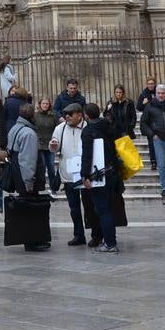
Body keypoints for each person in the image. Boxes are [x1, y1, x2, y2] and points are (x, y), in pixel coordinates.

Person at [80, 103, 124, 254]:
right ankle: (109, 239)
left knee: (103, 209)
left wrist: (84, 175)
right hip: (113, 171)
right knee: (108, 208)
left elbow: (87, 155)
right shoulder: (108, 125)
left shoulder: (88, 131)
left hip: (99, 174)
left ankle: (110, 243)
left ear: (86, 115)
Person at [6, 102, 50, 251]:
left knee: (25, 208)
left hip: (18, 175)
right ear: (31, 116)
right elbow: (28, 160)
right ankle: (32, 240)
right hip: (26, 177)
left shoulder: (14, 128)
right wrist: (29, 182)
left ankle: (29, 239)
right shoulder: (29, 133)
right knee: (31, 209)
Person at [51, 103, 91, 246]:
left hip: (86, 174)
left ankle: (95, 235)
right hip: (68, 175)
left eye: (70, 114)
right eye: (65, 114)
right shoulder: (59, 129)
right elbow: (54, 148)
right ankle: (78, 235)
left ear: (79, 115)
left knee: (90, 207)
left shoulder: (88, 127)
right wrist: (53, 146)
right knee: (74, 208)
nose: (67, 117)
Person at [33, 96, 59, 193]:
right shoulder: (35, 116)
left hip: (50, 144)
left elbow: (57, 128)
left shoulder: (53, 116)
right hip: (39, 144)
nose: (45, 105)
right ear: (40, 105)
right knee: (42, 166)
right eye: (43, 103)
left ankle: (53, 188)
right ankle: (41, 186)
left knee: (51, 167)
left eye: (47, 104)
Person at [137, 77, 159, 171]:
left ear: (154, 84)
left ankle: (162, 160)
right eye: (149, 83)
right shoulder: (143, 94)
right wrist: (143, 103)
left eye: (152, 83)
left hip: (158, 120)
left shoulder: (159, 92)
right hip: (148, 122)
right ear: (146, 84)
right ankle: (153, 162)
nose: (150, 85)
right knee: (151, 143)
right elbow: (139, 107)